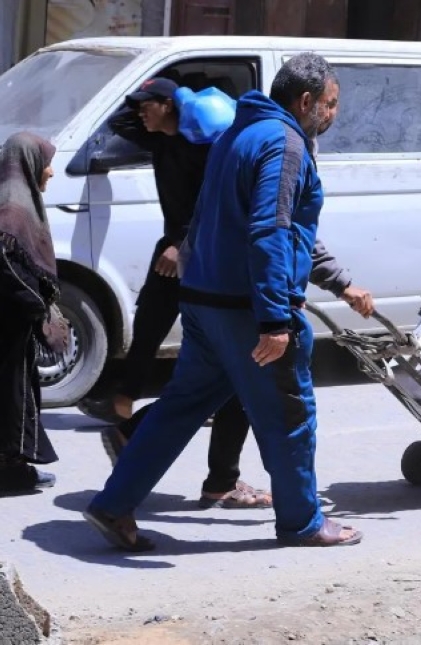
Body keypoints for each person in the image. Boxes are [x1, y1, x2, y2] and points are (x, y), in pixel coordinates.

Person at [83, 53, 363, 550]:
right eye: (330, 104)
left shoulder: (239, 131)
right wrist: (276, 319)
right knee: (291, 417)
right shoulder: (286, 143)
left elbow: (266, 225)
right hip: (243, 310)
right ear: (305, 102)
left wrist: (338, 283)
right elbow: (270, 232)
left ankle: (112, 503)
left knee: (177, 410)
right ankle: (303, 522)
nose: (333, 114)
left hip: (203, 302)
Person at [79, 76, 278, 507]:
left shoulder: (205, 147)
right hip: (175, 251)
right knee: (151, 333)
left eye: (147, 105)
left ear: (168, 106)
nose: (140, 114)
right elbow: (122, 123)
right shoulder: (165, 139)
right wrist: (160, 99)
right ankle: (128, 416)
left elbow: (213, 204)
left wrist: (182, 242)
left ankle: (201, 468)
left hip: (197, 254)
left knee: (226, 378)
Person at [0, 132, 63, 495]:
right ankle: (11, 471)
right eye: (46, 161)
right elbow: (7, 261)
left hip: (12, 321)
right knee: (13, 396)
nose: (51, 172)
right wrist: (37, 308)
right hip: (10, 324)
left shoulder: (16, 201)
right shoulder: (11, 211)